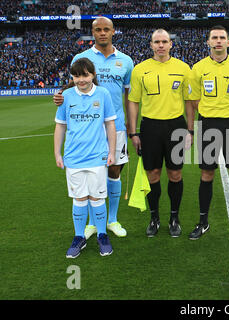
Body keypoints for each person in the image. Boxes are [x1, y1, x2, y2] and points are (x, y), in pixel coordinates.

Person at [54, 17, 134, 238]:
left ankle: (113, 220)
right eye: (97, 30)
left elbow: (129, 95)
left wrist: (130, 123)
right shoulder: (82, 57)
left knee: (114, 171)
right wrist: (59, 95)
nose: (102, 33)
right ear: (92, 32)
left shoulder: (126, 61)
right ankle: (91, 223)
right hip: (88, 127)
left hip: (115, 125)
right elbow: (71, 86)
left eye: (106, 29)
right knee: (91, 175)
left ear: (113, 31)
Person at [187, 25, 229, 240]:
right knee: (206, 174)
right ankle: (203, 221)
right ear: (208, 42)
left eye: (222, 38)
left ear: (228, 41)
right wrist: (212, 112)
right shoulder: (198, 68)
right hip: (207, 125)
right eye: (214, 38)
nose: (218, 41)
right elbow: (194, 100)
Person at [127, 29, 193, 238]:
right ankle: (154, 218)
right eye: (157, 42)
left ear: (171, 44)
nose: (161, 45)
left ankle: (174, 217)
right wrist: (133, 132)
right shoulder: (140, 69)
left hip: (176, 127)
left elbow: (190, 103)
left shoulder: (183, 68)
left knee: (175, 174)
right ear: (151, 45)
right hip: (150, 128)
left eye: (165, 41)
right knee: (152, 174)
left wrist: (190, 130)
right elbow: (133, 101)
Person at [54, 58, 116, 257]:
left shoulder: (103, 94)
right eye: (77, 75)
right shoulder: (66, 96)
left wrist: (112, 152)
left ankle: (102, 235)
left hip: (97, 156)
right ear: (72, 77)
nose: (81, 79)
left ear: (93, 75)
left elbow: (110, 124)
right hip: (73, 158)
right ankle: (79, 237)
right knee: (79, 198)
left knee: (96, 197)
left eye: (85, 75)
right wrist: (57, 153)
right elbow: (60, 126)